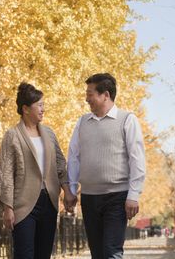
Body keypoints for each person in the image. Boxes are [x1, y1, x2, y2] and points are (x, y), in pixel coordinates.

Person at [0, 82, 76, 259]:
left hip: (49, 202)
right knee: (24, 254)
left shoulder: (49, 133)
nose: (43, 109)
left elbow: (60, 164)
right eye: (39, 105)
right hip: (23, 204)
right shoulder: (12, 135)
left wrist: (67, 191)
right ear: (26, 109)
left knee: (43, 254)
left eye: (43, 105)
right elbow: (6, 172)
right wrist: (8, 208)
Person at [67, 73, 145, 259]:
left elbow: (137, 159)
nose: (87, 98)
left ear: (106, 95)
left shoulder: (127, 119)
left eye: (90, 93)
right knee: (98, 253)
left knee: (112, 251)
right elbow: (74, 157)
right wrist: (71, 189)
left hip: (117, 197)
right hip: (89, 197)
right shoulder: (82, 122)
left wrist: (133, 195)